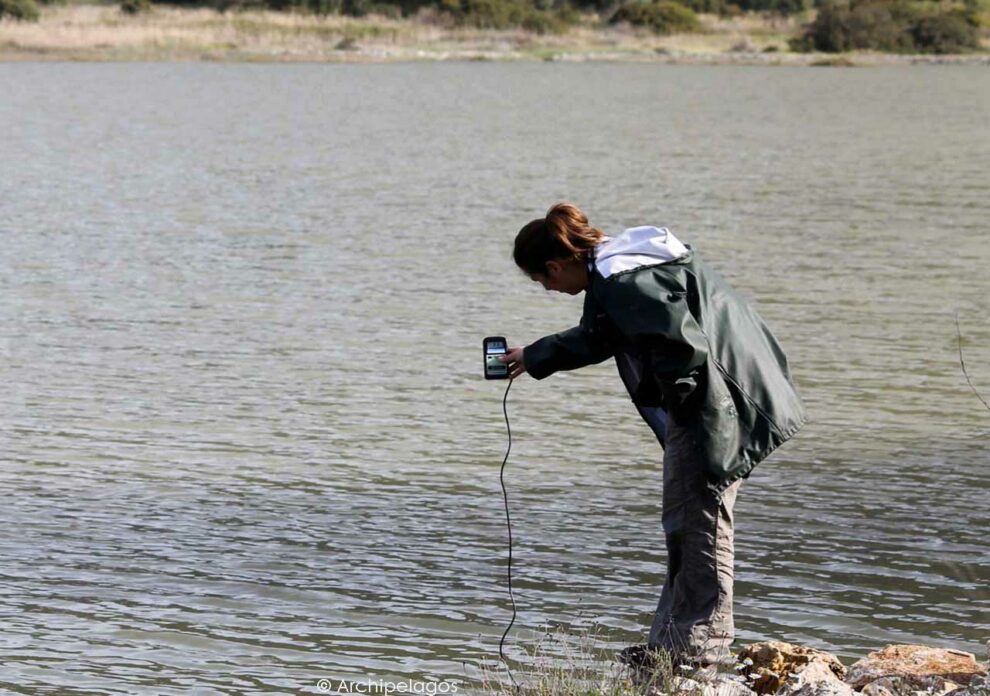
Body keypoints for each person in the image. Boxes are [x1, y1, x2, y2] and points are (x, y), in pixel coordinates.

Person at [499, 202, 805, 669]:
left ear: (556, 264)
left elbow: (679, 348)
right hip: (734, 393)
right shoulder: (622, 269)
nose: (547, 289)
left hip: (715, 406)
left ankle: (697, 652)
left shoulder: (624, 279)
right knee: (687, 523)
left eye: (543, 280)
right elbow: (601, 335)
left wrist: (683, 412)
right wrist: (536, 355)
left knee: (699, 524)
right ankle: (671, 643)